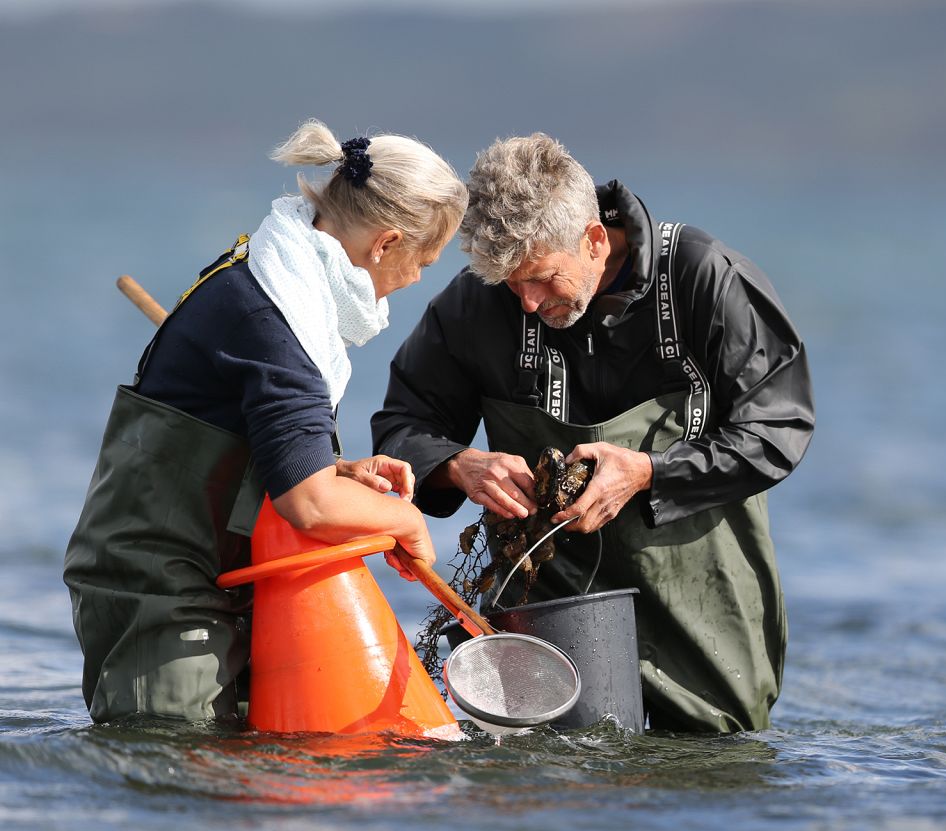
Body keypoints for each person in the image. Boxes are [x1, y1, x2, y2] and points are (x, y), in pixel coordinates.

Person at [372, 133, 814, 733]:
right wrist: (456, 464)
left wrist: (650, 473)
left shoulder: (705, 279)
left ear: (595, 239)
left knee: (709, 776)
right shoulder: (476, 305)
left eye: (542, 278)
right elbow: (402, 424)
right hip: (545, 614)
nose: (526, 303)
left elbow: (778, 425)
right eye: (509, 283)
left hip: (701, 610)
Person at [64, 120, 468, 723]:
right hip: (158, 582)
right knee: (176, 768)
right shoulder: (278, 318)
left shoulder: (272, 272)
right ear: (385, 243)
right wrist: (406, 520)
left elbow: (259, 441)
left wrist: (335, 467)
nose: (413, 281)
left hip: (223, 571)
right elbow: (308, 503)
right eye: (423, 262)